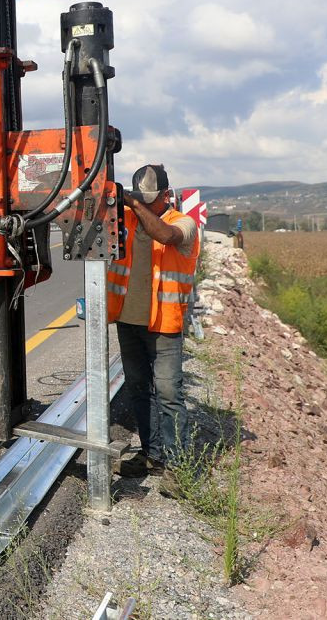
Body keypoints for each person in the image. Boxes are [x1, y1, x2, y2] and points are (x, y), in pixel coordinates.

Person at [107, 164, 201, 478]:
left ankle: (177, 466)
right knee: (137, 389)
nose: (144, 204)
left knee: (169, 393)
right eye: (140, 199)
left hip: (163, 326)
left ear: (166, 195)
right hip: (128, 320)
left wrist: (133, 203)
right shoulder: (128, 220)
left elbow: (165, 235)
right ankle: (152, 455)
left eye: (149, 200)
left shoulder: (184, 224)